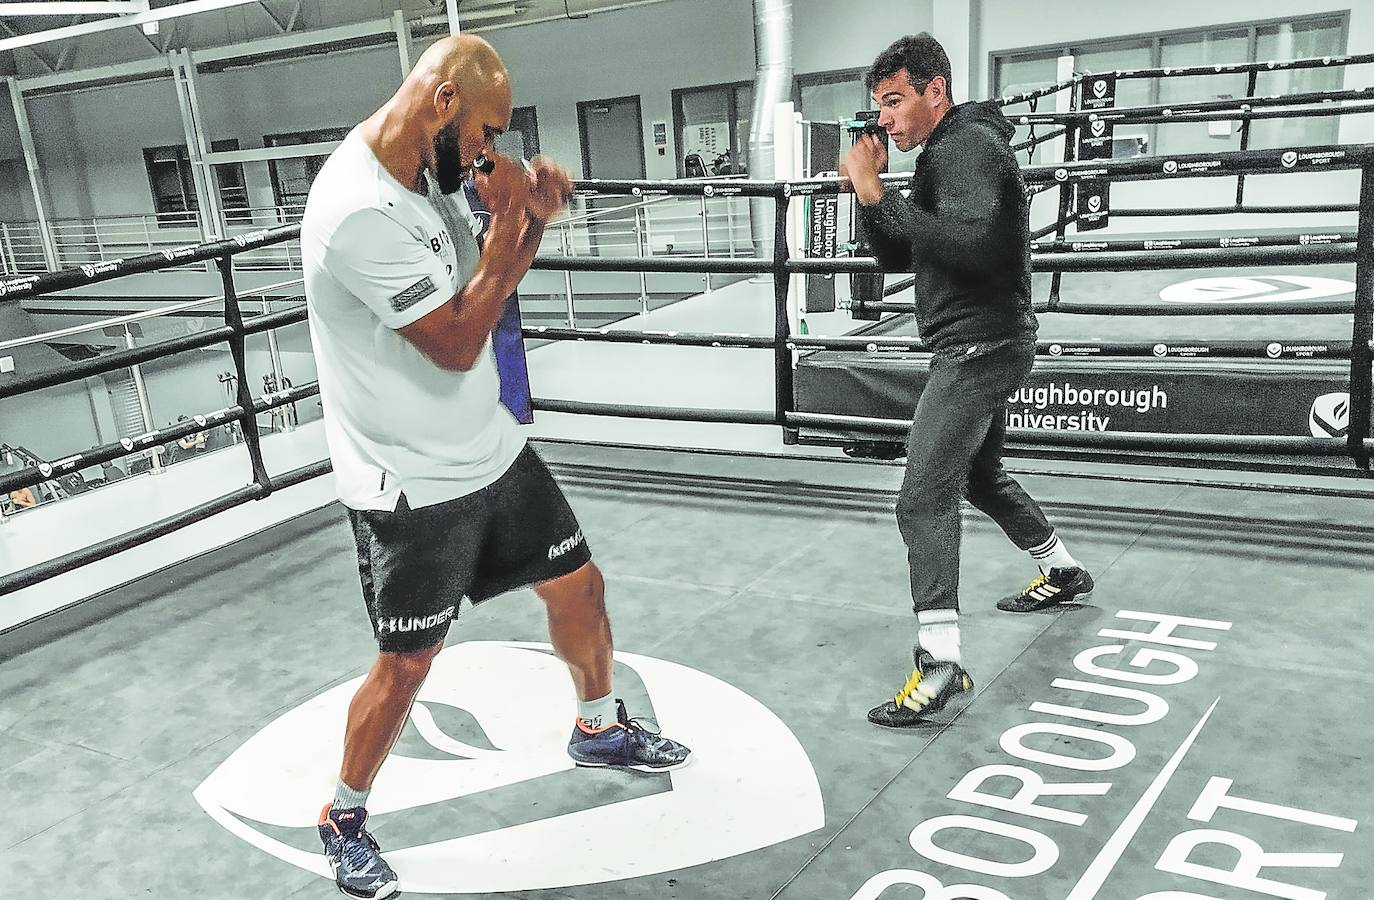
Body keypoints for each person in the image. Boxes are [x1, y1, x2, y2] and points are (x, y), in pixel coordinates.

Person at [300, 34, 690, 899]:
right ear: (442, 103)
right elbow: (455, 338)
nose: (487, 148)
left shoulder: (426, 177)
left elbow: (486, 282)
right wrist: (517, 220)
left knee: (579, 585)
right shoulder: (357, 209)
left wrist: (526, 223)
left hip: (488, 445)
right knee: (406, 667)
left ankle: (597, 726)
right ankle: (343, 814)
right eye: (484, 129)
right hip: (409, 480)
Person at [841, 33, 1094, 729]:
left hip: (980, 346)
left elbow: (974, 244)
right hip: (985, 343)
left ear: (936, 91)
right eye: (880, 107)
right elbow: (900, 250)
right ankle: (1064, 569)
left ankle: (940, 658)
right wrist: (874, 194)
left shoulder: (967, 148)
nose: (886, 118)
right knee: (978, 477)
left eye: (895, 101)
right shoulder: (941, 156)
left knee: (921, 497)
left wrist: (877, 193)